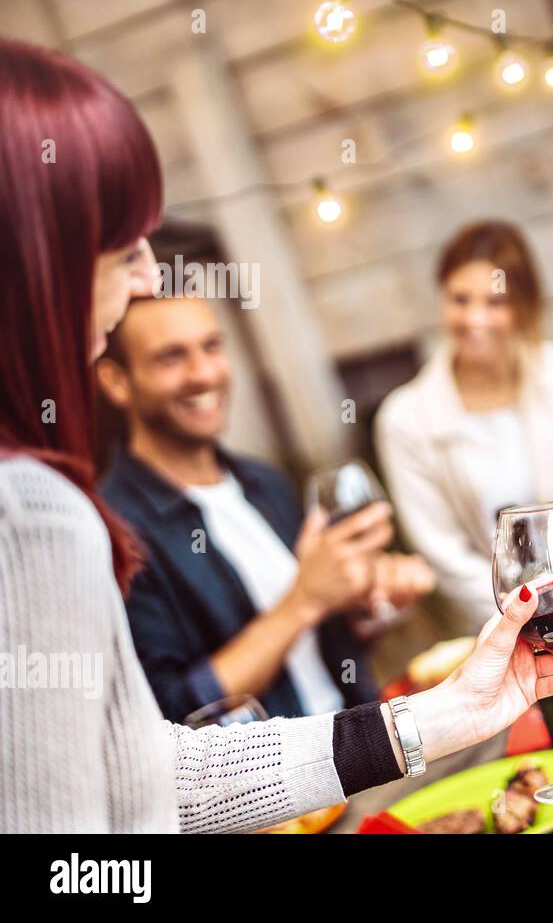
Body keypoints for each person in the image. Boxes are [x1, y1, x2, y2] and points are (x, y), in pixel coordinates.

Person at [0, 37, 553, 833]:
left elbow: (150, 768)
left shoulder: (258, 484)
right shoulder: (31, 514)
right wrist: (308, 603)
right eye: (121, 245)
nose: (147, 274)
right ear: (40, 259)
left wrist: (434, 717)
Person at [95, 295, 434, 722]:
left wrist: (366, 606)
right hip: (274, 784)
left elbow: (324, 647)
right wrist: (305, 599)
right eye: (171, 358)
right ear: (116, 381)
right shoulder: (112, 529)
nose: (204, 373)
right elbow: (171, 711)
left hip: (363, 745)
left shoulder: (264, 483)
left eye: (212, 346)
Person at [375, 221, 553, 632]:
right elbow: (443, 555)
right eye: (460, 299)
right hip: (497, 634)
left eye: (495, 302)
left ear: (524, 306)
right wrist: (524, 611)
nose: (475, 319)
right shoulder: (404, 421)